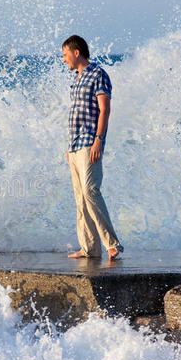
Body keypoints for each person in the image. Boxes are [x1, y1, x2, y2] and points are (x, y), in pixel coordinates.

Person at [61, 35, 123, 261]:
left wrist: (99, 139)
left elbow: (104, 109)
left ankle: (112, 244)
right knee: (80, 198)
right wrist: (69, 146)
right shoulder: (76, 78)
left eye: (65, 54)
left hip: (90, 142)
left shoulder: (98, 74)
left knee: (90, 191)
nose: (64, 59)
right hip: (75, 144)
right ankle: (88, 248)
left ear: (76, 52)